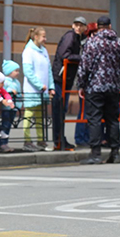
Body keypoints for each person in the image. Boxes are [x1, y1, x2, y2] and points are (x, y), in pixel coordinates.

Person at [76, 16, 120, 164]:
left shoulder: (92, 43)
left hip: (95, 86)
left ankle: (96, 154)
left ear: (98, 27)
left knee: (94, 120)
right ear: (110, 26)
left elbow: (84, 66)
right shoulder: (118, 44)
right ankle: (115, 153)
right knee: (113, 119)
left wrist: (81, 84)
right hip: (113, 87)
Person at [51, 16, 86, 150]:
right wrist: (81, 58)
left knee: (61, 109)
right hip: (60, 77)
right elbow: (64, 54)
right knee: (59, 109)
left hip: (66, 78)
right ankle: (58, 140)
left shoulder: (78, 38)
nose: (78, 27)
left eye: (80, 25)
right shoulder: (70, 36)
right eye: (76, 25)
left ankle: (60, 139)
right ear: (73, 26)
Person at [22, 27, 54, 152]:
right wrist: (39, 85)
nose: (45, 39)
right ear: (36, 37)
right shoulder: (28, 51)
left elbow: (48, 71)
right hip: (33, 89)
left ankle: (41, 140)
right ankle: (27, 140)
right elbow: (28, 72)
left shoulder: (44, 51)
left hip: (43, 90)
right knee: (29, 115)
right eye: (43, 36)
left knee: (41, 116)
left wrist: (51, 86)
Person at [0, 60, 21, 152]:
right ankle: (2, 143)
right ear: (9, 71)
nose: (18, 73)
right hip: (7, 107)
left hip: (14, 107)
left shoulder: (17, 82)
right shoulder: (5, 81)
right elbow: (3, 91)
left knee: (8, 125)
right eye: (16, 71)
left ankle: (5, 143)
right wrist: (11, 91)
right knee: (5, 125)